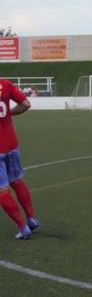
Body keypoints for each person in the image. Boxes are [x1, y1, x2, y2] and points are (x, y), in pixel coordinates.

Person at [0, 79, 37, 240]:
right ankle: (31, 218)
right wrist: (9, 112)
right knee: (16, 181)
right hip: (12, 144)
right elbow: (26, 104)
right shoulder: (5, 84)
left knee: (2, 191)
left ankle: (23, 228)